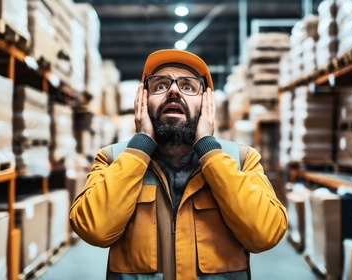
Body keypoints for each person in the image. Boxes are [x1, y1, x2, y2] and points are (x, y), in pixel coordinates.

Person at [69, 49, 287, 280]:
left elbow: (265, 234)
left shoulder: (242, 159)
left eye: (188, 86)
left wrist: (209, 150)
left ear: (206, 103)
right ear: (142, 100)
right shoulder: (112, 158)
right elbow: (94, 230)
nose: (173, 91)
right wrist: (140, 145)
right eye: (160, 86)